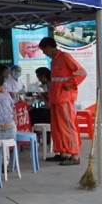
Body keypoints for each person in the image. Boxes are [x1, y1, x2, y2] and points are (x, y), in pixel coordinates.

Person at [39, 37, 87, 165]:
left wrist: (71, 83)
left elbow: (82, 72)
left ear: (49, 47)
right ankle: (62, 153)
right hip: (55, 98)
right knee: (57, 127)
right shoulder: (54, 60)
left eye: (43, 50)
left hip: (65, 98)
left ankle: (74, 155)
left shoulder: (65, 56)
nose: (44, 53)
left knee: (68, 126)